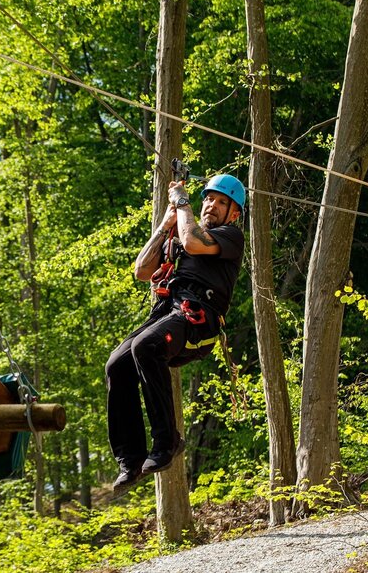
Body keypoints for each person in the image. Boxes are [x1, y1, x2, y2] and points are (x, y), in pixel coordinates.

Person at [105, 173, 246, 496]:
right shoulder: (179, 233)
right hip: (167, 313)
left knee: (146, 346)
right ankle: (131, 459)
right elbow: (141, 270)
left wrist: (182, 203)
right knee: (116, 365)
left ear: (234, 213)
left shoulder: (229, 236)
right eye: (209, 198)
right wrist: (165, 224)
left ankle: (167, 442)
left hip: (197, 319)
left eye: (222, 202)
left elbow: (195, 241)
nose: (212, 205)